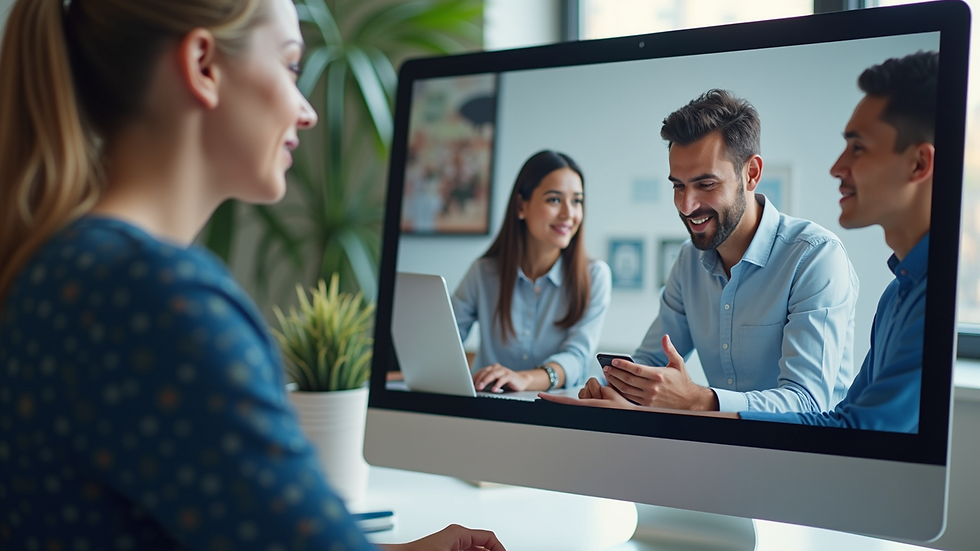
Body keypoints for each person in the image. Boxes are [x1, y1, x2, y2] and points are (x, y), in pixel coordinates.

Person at [0, 0, 504, 549]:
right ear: (204, 67)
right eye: (290, 66)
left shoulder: (59, 267)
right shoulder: (159, 299)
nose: (306, 111)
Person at [559, 90, 859, 413]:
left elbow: (807, 403)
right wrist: (611, 387)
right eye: (678, 186)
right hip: (716, 456)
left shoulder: (815, 258)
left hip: (803, 459)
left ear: (752, 174)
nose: (687, 206)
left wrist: (698, 400)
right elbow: (650, 362)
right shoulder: (688, 261)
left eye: (706, 184)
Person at [739, 52, 937, 432]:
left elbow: (860, 431)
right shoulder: (898, 294)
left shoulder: (934, 297)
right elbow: (844, 421)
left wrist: (700, 409)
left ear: (918, 165)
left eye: (857, 148)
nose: (836, 168)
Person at [452, 150, 611, 392]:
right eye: (555, 200)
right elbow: (447, 339)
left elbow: (577, 357)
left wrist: (525, 379)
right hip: (486, 408)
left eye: (576, 201)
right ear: (521, 206)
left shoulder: (595, 276)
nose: (569, 214)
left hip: (554, 416)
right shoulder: (484, 273)